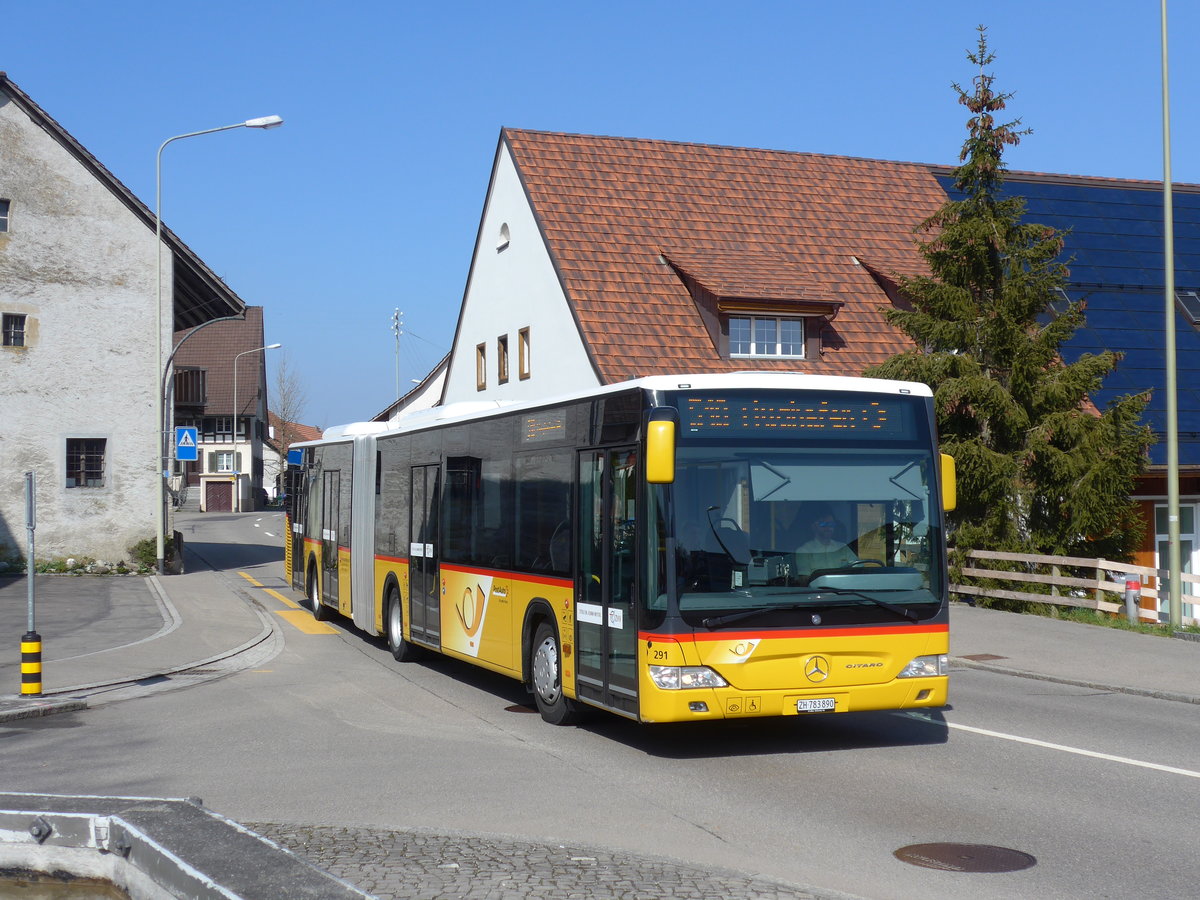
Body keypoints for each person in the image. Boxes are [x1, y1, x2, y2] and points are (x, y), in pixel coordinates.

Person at [794, 505, 856, 576]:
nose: (828, 527)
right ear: (813, 526)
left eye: (831, 524)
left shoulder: (844, 548)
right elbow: (804, 580)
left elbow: (858, 571)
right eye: (823, 524)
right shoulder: (804, 551)